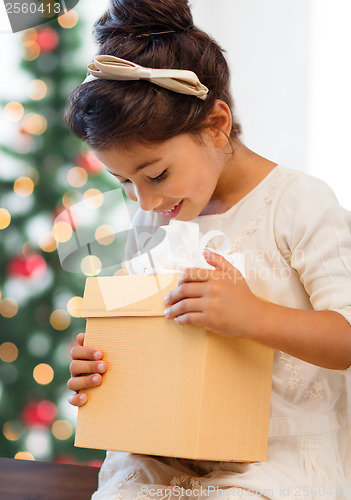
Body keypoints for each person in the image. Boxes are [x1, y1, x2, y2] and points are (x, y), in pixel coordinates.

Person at [65, 0, 351, 498]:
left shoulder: (299, 203)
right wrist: (103, 362)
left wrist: (253, 315)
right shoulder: (153, 217)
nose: (146, 200)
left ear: (217, 124)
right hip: (169, 446)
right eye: (124, 182)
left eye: (156, 174)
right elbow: (146, 328)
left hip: (276, 456)